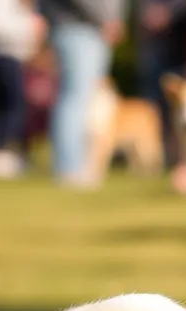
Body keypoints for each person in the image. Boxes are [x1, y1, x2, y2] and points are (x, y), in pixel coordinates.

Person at [39, 0, 127, 187]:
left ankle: (82, 166)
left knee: (82, 102)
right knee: (77, 100)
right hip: (79, 28)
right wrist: (107, 19)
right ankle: (70, 169)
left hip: (85, 28)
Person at [0, 0, 49, 179]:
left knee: (15, 103)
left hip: (19, 54)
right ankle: (2, 152)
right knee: (12, 103)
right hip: (0, 52)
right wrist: (30, 30)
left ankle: (16, 152)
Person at [135, 0, 186, 192]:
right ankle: (167, 163)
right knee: (158, 115)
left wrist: (171, 13)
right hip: (160, 55)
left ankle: (185, 165)